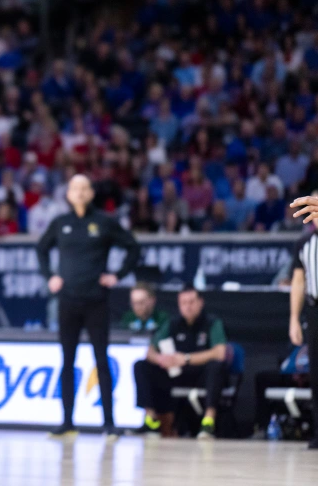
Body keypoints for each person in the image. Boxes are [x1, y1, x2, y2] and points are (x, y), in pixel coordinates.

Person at [36, 174, 140, 438]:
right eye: (75, 188)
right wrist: (50, 276)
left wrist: (117, 275)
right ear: (68, 194)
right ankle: (68, 422)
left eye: (84, 188)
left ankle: (109, 423)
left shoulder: (104, 223)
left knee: (101, 361)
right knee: (67, 361)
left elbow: (133, 247)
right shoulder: (61, 223)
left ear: (92, 193)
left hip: (96, 300)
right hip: (68, 300)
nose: (80, 192)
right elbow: (41, 249)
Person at [132, 285, 229, 439]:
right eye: (183, 303)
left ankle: (209, 421)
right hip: (176, 374)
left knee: (216, 366)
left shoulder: (211, 322)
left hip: (200, 374)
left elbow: (220, 352)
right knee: (141, 366)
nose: (187, 307)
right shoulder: (173, 323)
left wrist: (186, 358)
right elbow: (150, 351)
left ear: (200, 302)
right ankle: (151, 421)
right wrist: (160, 359)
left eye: (191, 302)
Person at [285, 196, 318, 449]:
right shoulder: (304, 242)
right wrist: (294, 319)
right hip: (314, 308)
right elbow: (298, 281)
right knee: (315, 372)